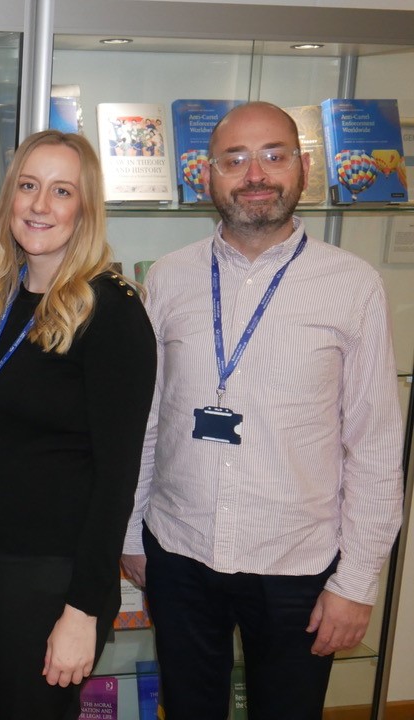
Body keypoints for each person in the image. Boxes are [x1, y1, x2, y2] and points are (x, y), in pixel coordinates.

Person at [120, 101, 404, 719]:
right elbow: (146, 419)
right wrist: (131, 530)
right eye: (235, 159)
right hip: (179, 551)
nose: (256, 175)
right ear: (206, 175)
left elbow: (376, 442)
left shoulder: (353, 285)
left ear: (302, 170)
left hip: (298, 567)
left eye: (274, 156)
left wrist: (355, 582)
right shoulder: (167, 279)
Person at [0, 130, 156, 719]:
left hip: (47, 579)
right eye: (28, 186)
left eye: (61, 191)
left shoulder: (114, 313)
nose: (39, 205)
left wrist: (83, 611)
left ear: (85, 209)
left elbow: (117, 480)